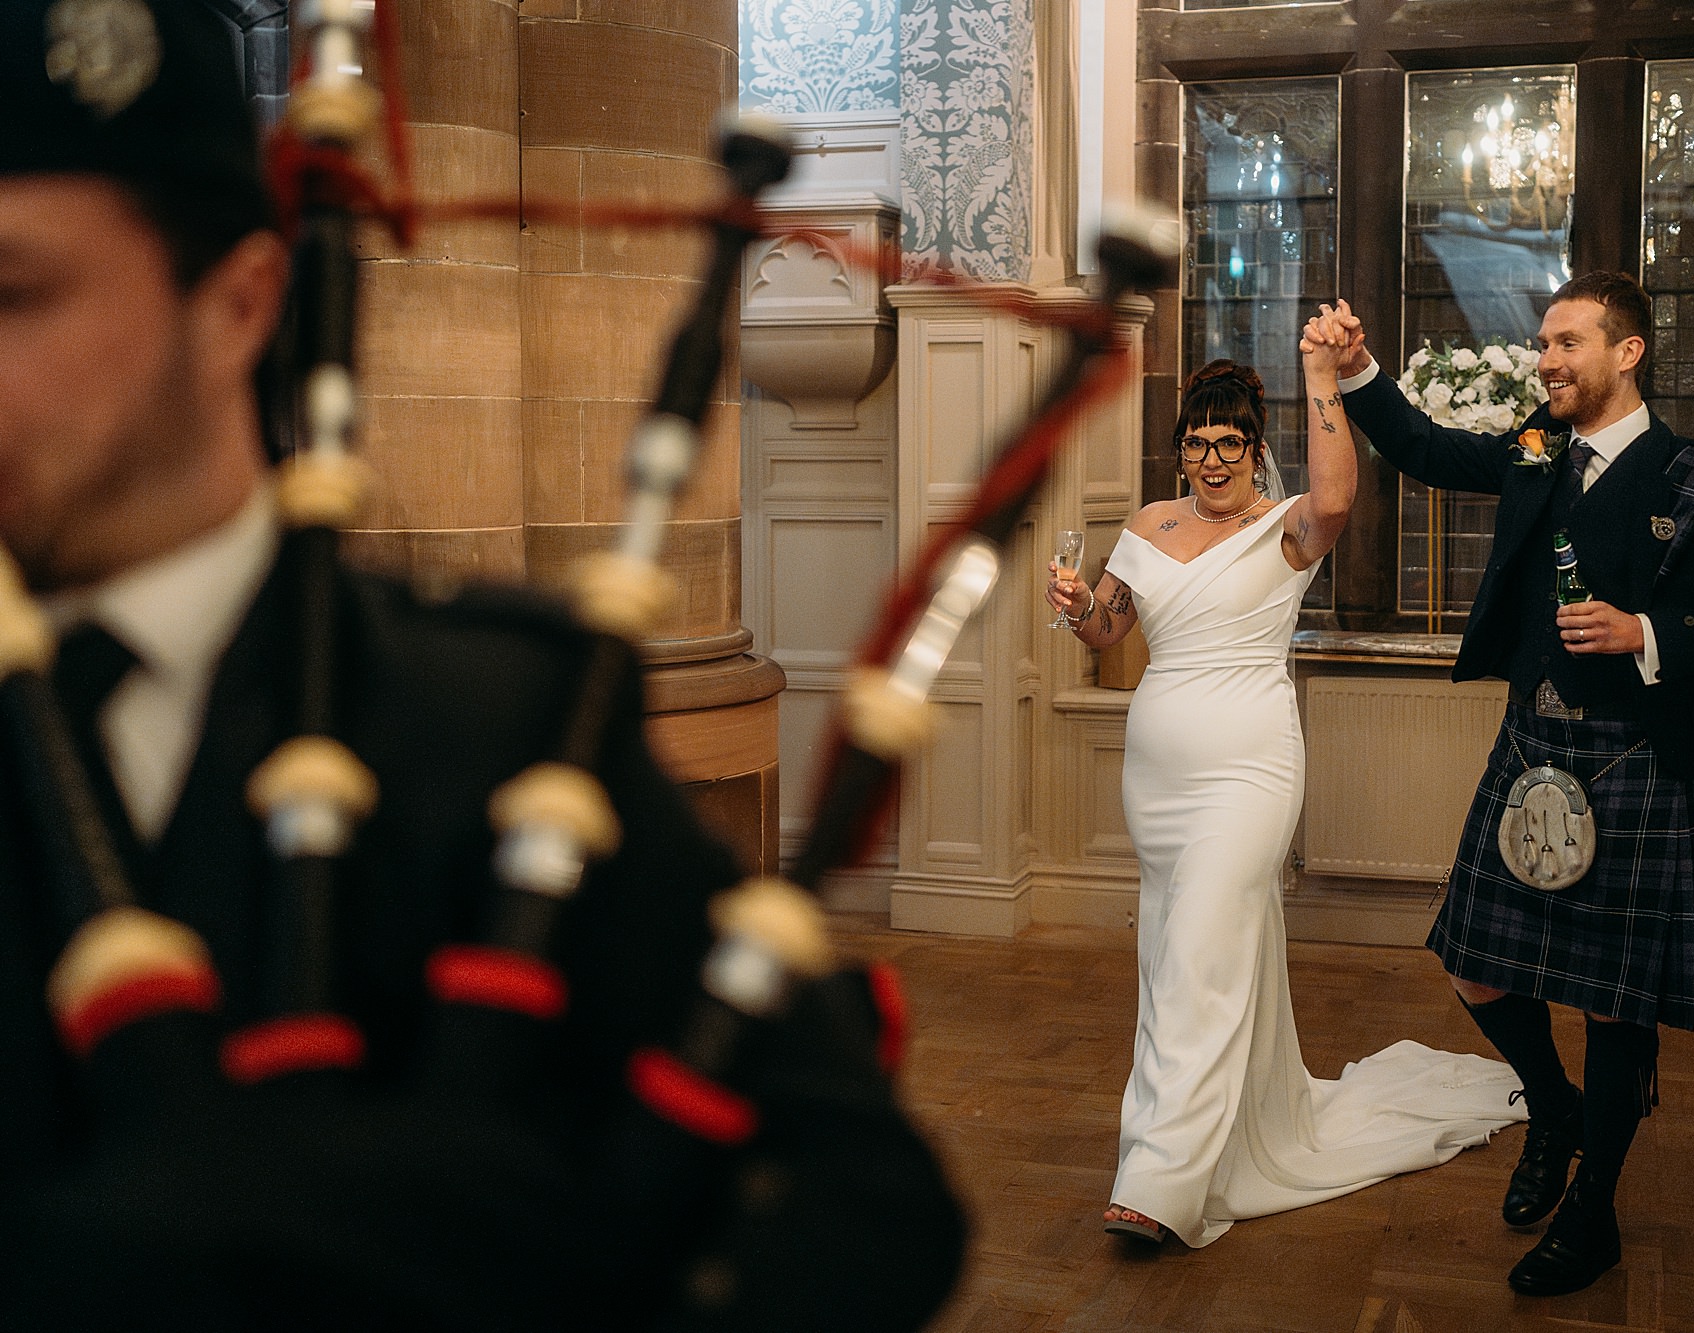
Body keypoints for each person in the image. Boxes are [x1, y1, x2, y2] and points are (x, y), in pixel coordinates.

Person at [0, 2, 962, 1327]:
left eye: (14, 294)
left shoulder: (496, 713)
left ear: (237, 302)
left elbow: (869, 1203)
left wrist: (581, 1283)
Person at [1304, 277, 1694, 1295]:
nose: (1545, 360)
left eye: (1567, 342)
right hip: (1531, 743)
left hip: (1639, 760)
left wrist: (1643, 632)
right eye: (1542, 343)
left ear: (1627, 352)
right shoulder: (1538, 449)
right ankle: (1552, 1105)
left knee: (1615, 1008)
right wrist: (1354, 368)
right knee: (1473, 965)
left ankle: (1594, 1208)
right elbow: (1428, 451)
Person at [1044, 338, 1527, 1249]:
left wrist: (1322, 379)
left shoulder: (1287, 530)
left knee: (1197, 956)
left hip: (1250, 773)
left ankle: (1159, 1179)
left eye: (1229, 442)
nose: (1212, 459)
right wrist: (1076, 607)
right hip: (1158, 784)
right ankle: (1242, 1129)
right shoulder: (1149, 526)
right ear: (1179, 451)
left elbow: (1339, 497)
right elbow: (1109, 629)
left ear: (1255, 448)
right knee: (1179, 956)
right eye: (1197, 443)